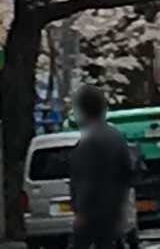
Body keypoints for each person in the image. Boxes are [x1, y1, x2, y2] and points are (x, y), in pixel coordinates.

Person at [69, 84, 134, 249]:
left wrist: (82, 210)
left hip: (93, 213)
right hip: (114, 210)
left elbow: (88, 178)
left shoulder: (89, 141)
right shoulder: (116, 137)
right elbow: (127, 172)